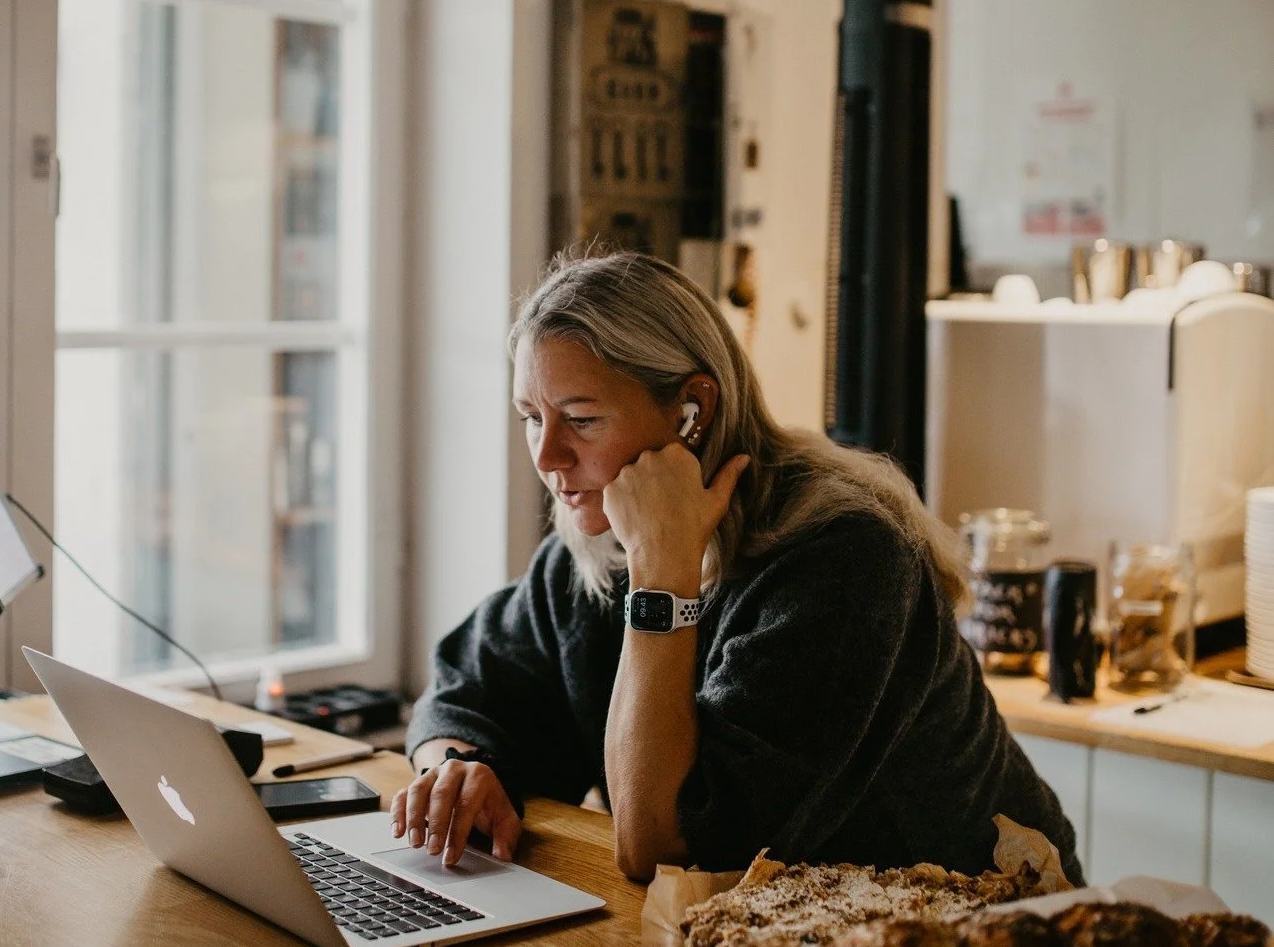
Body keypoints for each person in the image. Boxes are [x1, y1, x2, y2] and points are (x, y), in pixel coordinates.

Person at [396, 250, 1082, 885]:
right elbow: (467, 689)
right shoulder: (599, 547)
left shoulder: (848, 560)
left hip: (988, 930)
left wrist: (662, 578)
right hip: (794, 944)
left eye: (580, 419)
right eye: (528, 417)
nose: (546, 458)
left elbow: (668, 845)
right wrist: (458, 768)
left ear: (692, 411)